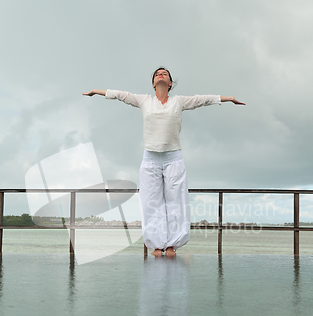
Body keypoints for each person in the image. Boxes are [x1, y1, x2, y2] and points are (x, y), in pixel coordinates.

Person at [83, 68, 245, 257]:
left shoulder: (179, 101)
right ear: (153, 83)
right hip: (150, 159)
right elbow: (121, 95)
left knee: (176, 201)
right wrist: (96, 92)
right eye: (157, 73)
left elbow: (203, 99)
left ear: (170, 83)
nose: (161, 74)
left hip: (173, 158)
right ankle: (157, 246)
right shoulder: (144, 101)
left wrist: (229, 98)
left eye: (165, 73)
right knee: (152, 202)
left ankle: (171, 245)